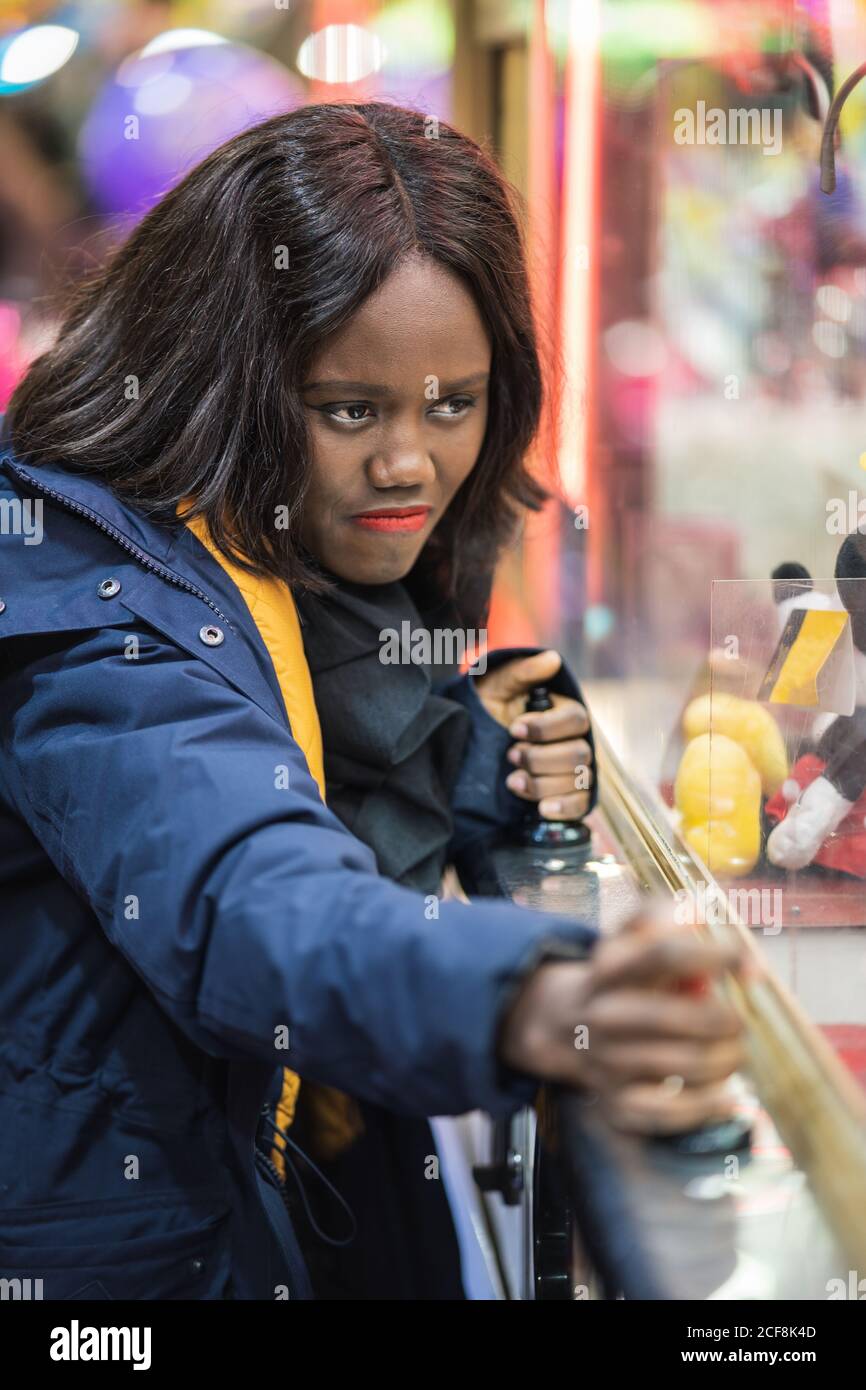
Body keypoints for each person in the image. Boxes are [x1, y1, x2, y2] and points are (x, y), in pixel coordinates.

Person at [0, 102, 744, 1301]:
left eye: (453, 402)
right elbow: (250, 899)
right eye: (352, 409)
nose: (410, 461)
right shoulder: (91, 615)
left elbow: (311, 758)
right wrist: (531, 994)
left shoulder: (268, 545)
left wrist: (488, 759)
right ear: (226, 376)